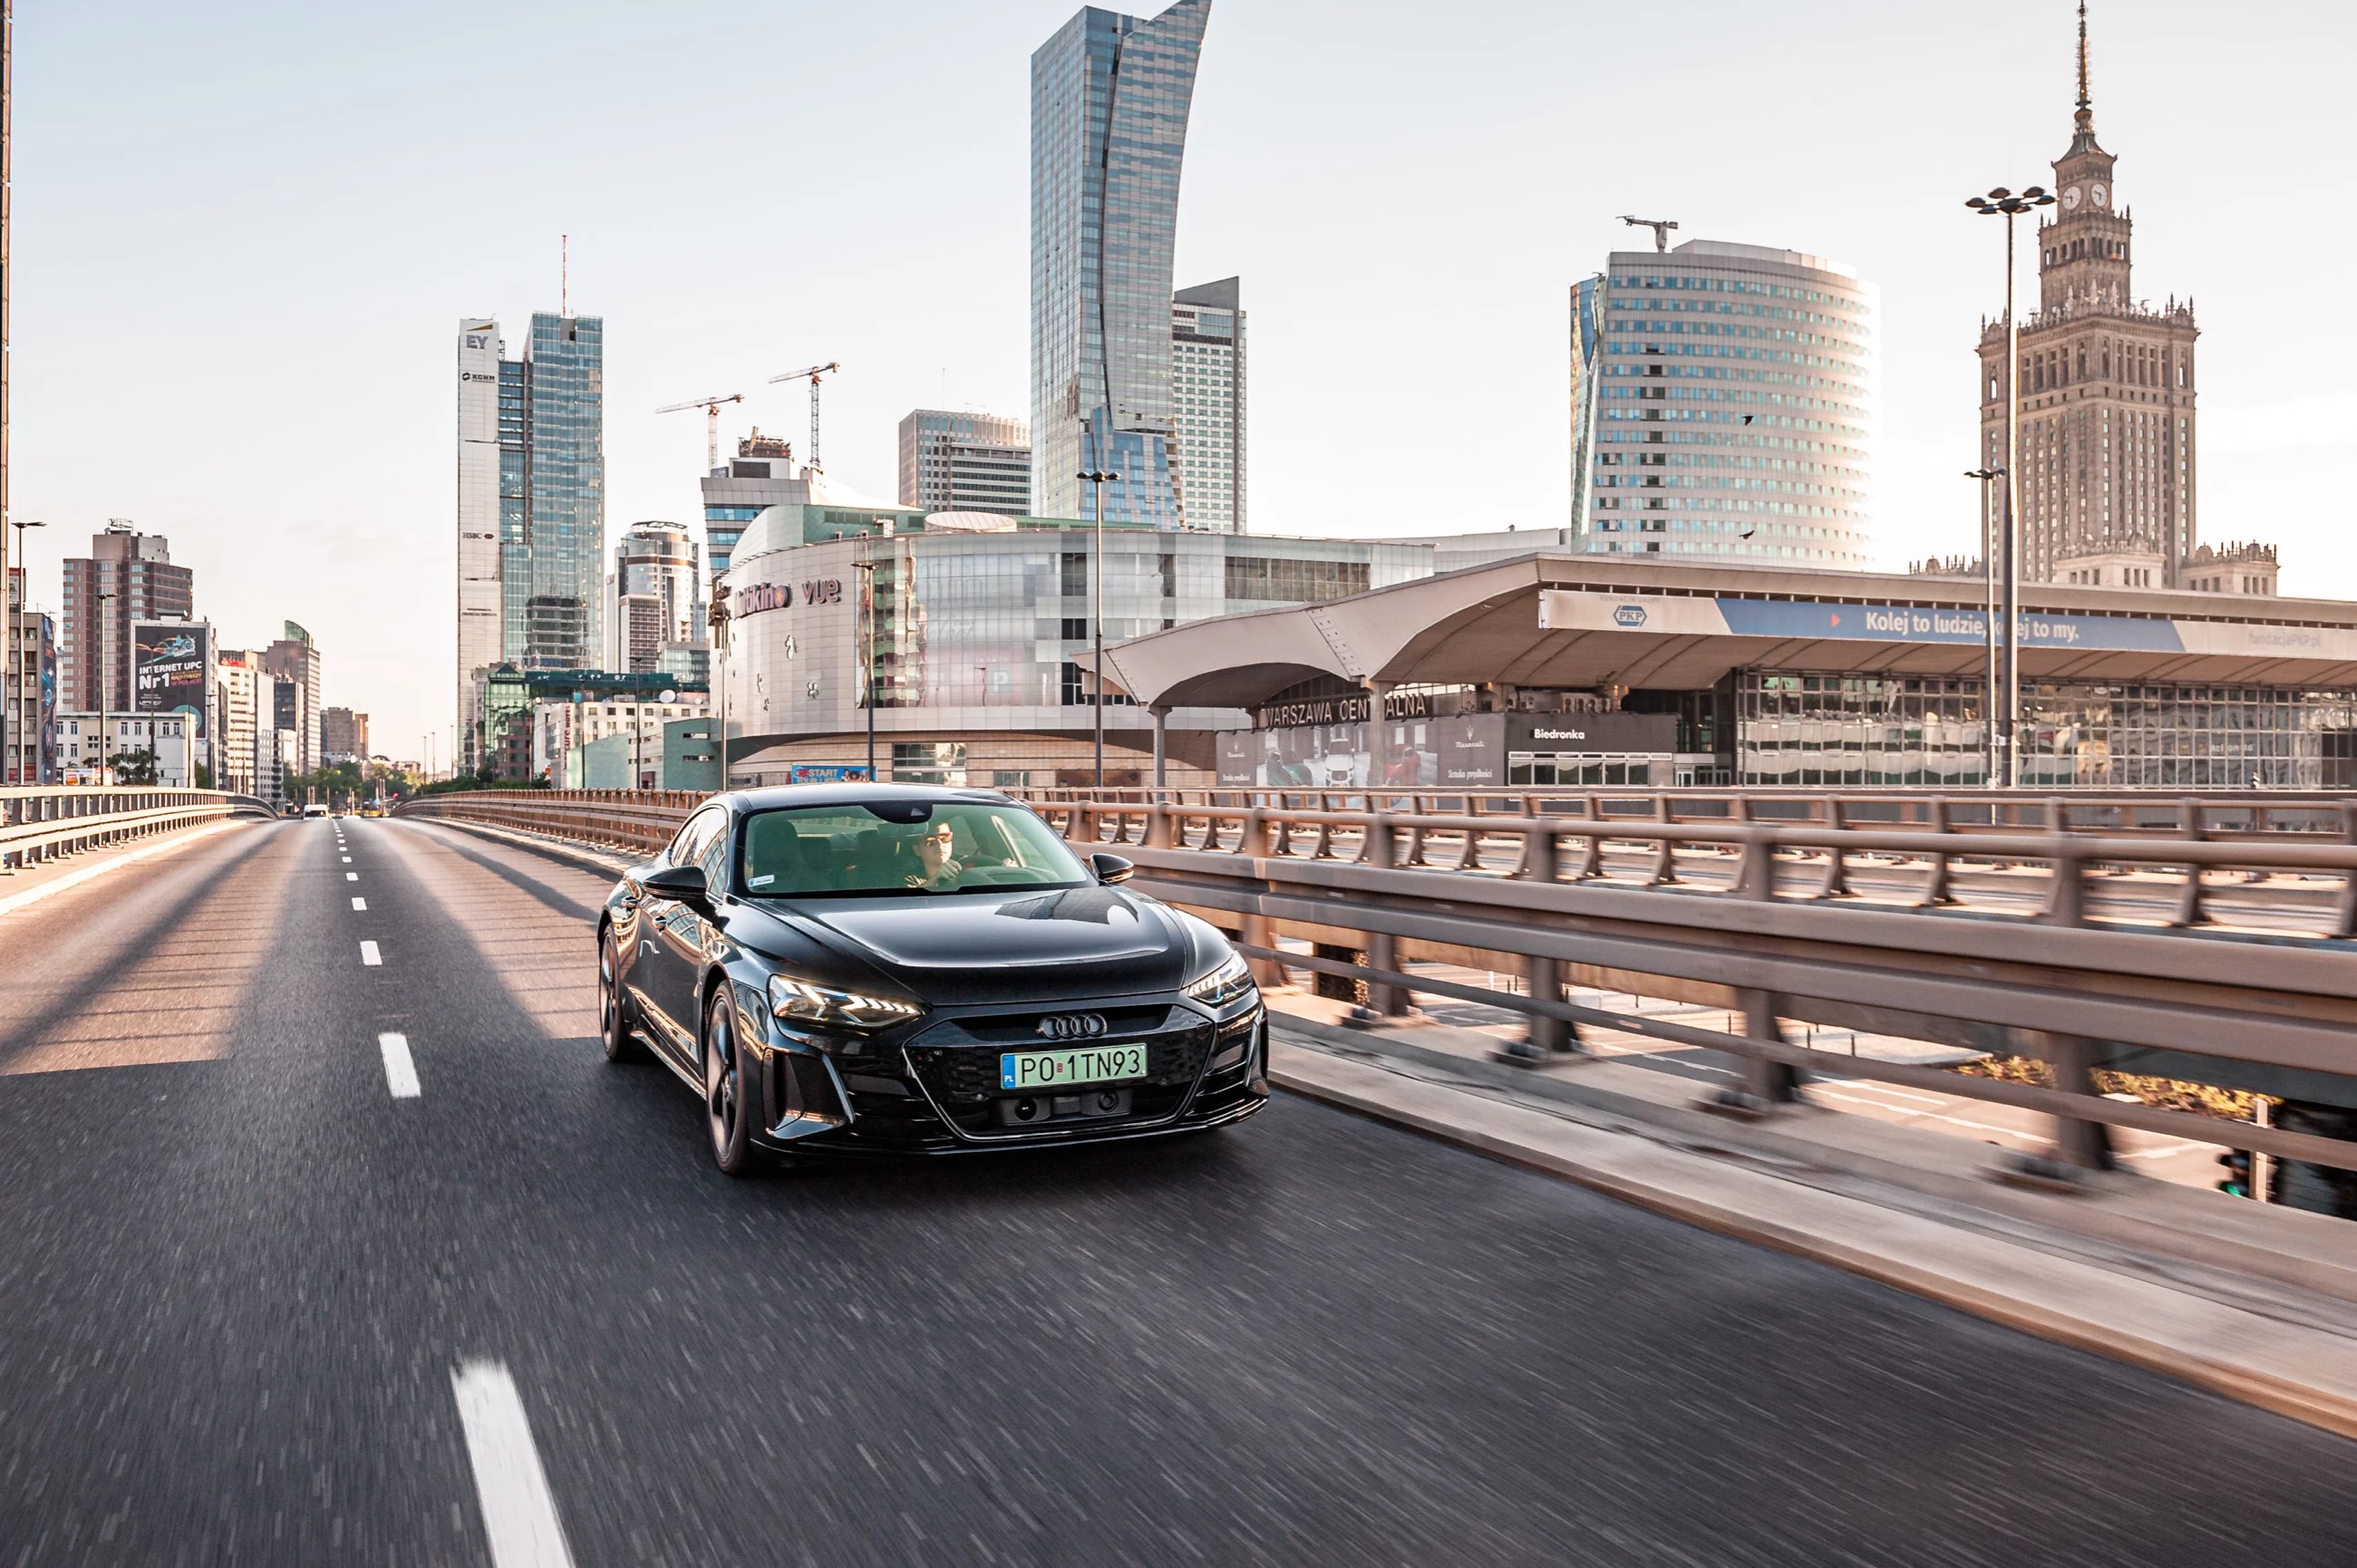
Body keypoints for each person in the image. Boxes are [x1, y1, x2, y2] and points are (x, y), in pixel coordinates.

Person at [904, 820, 965, 890]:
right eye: (931, 841)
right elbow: (910, 900)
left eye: (945, 838)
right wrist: (935, 879)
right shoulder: (911, 879)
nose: (940, 845)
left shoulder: (967, 866)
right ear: (917, 850)